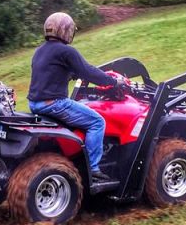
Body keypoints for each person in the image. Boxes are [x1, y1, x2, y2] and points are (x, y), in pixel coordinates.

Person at [27, 12, 119, 181]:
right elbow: (88, 71)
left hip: (34, 104)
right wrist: (113, 82)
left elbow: (51, 72)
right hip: (54, 104)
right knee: (97, 122)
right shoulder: (67, 51)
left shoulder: (39, 51)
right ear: (65, 30)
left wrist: (71, 74)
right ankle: (93, 169)